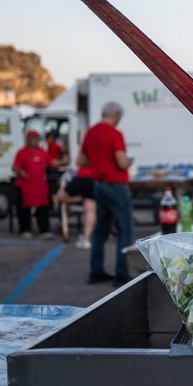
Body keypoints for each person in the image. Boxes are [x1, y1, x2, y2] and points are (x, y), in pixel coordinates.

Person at [79, 102, 135, 285]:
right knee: (125, 230)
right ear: (116, 114)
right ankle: (121, 273)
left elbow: (81, 160)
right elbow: (121, 163)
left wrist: (99, 162)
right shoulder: (115, 134)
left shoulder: (91, 132)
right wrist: (129, 161)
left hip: (99, 185)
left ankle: (96, 271)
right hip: (116, 185)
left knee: (100, 232)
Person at [13, 130, 52, 239]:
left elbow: (50, 163)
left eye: (37, 139)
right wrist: (22, 173)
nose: (37, 141)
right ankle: (25, 230)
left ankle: (44, 230)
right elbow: (15, 167)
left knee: (42, 207)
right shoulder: (22, 152)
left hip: (40, 186)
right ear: (28, 140)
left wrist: (63, 161)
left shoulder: (42, 151)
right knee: (24, 208)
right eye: (34, 139)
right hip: (25, 186)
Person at [54, 164, 96, 249]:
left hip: (84, 177)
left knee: (59, 196)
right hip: (94, 178)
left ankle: (65, 207)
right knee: (90, 209)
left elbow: (80, 161)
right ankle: (86, 238)